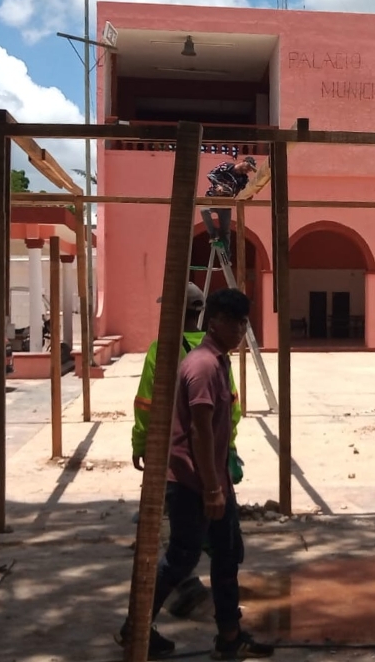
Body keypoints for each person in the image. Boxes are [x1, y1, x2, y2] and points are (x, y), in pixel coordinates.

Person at [117, 288, 273, 660]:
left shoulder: (213, 359)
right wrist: (213, 488)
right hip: (194, 481)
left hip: (211, 473)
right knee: (182, 558)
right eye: (235, 322)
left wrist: (223, 460)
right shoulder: (202, 365)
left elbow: (218, 415)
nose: (240, 330)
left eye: (244, 322)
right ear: (212, 319)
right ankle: (136, 628)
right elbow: (200, 430)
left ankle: (230, 634)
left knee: (226, 554)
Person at [130, 282, 245, 619]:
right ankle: (141, 623)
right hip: (206, 466)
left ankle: (225, 630)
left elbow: (146, 405)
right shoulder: (211, 359)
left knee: (190, 547)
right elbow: (232, 409)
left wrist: (141, 443)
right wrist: (229, 447)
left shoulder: (164, 350)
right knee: (207, 547)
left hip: (183, 464)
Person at [202, 156, 258, 259]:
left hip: (226, 203)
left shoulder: (244, 179)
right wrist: (217, 186)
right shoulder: (226, 166)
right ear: (244, 162)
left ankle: (225, 257)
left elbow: (243, 192)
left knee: (225, 231)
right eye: (248, 167)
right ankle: (213, 234)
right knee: (205, 211)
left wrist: (248, 195)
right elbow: (211, 174)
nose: (248, 170)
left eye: (250, 170)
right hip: (213, 197)